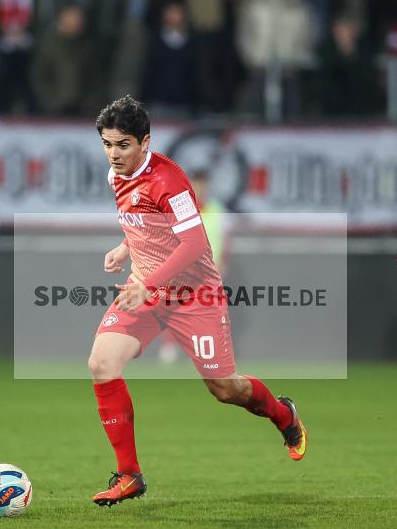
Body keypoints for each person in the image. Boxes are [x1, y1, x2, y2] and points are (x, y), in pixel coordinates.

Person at [88, 96, 307, 506]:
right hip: (148, 290)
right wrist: (125, 248)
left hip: (194, 296)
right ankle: (129, 475)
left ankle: (284, 415)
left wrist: (148, 283)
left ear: (145, 141)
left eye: (123, 145)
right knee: (102, 363)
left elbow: (193, 244)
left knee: (224, 389)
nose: (114, 154)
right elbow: (145, 224)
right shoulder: (116, 176)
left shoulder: (168, 180)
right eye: (107, 144)